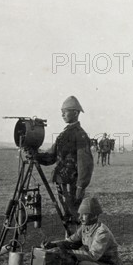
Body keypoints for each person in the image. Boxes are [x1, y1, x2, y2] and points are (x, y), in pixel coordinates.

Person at [36, 96, 94, 225]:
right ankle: (70, 239)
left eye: (66, 111)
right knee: (66, 215)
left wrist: (80, 186)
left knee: (74, 215)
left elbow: (85, 164)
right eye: (62, 111)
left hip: (72, 183)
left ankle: (76, 241)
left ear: (76, 112)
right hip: (62, 182)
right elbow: (51, 156)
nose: (62, 114)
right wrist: (35, 155)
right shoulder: (64, 134)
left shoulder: (80, 135)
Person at [44, 197, 123, 265]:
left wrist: (69, 252)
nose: (80, 217)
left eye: (84, 214)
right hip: (98, 264)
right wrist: (54, 244)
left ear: (95, 215)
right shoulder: (85, 228)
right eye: (80, 214)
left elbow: (93, 256)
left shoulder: (102, 232)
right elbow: (70, 242)